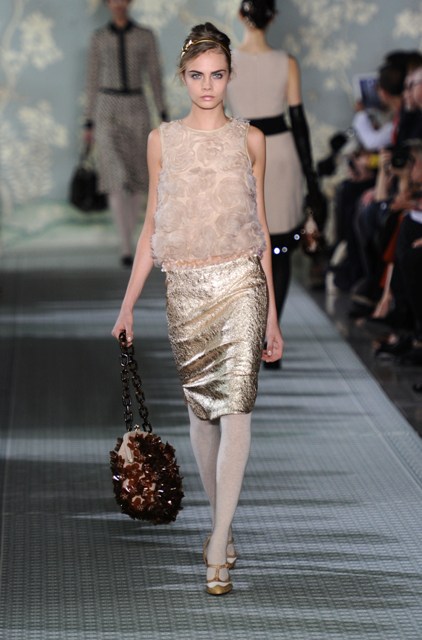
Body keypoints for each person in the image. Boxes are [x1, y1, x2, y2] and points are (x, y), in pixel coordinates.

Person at [111, 22, 283, 595]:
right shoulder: (162, 140)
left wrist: (272, 316)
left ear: (230, 77)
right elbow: (151, 229)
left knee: (236, 409)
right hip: (185, 289)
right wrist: (128, 305)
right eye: (196, 76)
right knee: (201, 415)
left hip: (241, 284)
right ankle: (220, 525)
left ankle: (219, 538)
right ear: (182, 78)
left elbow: (261, 231)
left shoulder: (250, 139)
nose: (207, 86)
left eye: (217, 75)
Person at [226, 0, 325, 368]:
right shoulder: (287, 62)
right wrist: (311, 177)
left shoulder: (226, 62)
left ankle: (249, 336)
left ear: (240, 15)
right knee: (279, 248)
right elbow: (298, 122)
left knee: (244, 248)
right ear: (274, 17)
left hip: (241, 150)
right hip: (280, 153)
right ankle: (272, 336)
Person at [84, 0, 167, 267]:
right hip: (106, 107)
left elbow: (154, 75)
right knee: (115, 176)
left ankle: (131, 239)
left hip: (136, 106)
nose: (118, 4)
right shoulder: (99, 38)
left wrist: (162, 112)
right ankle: (125, 244)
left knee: (136, 177)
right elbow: (92, 79)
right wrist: (88, 122)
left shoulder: (145, 36)